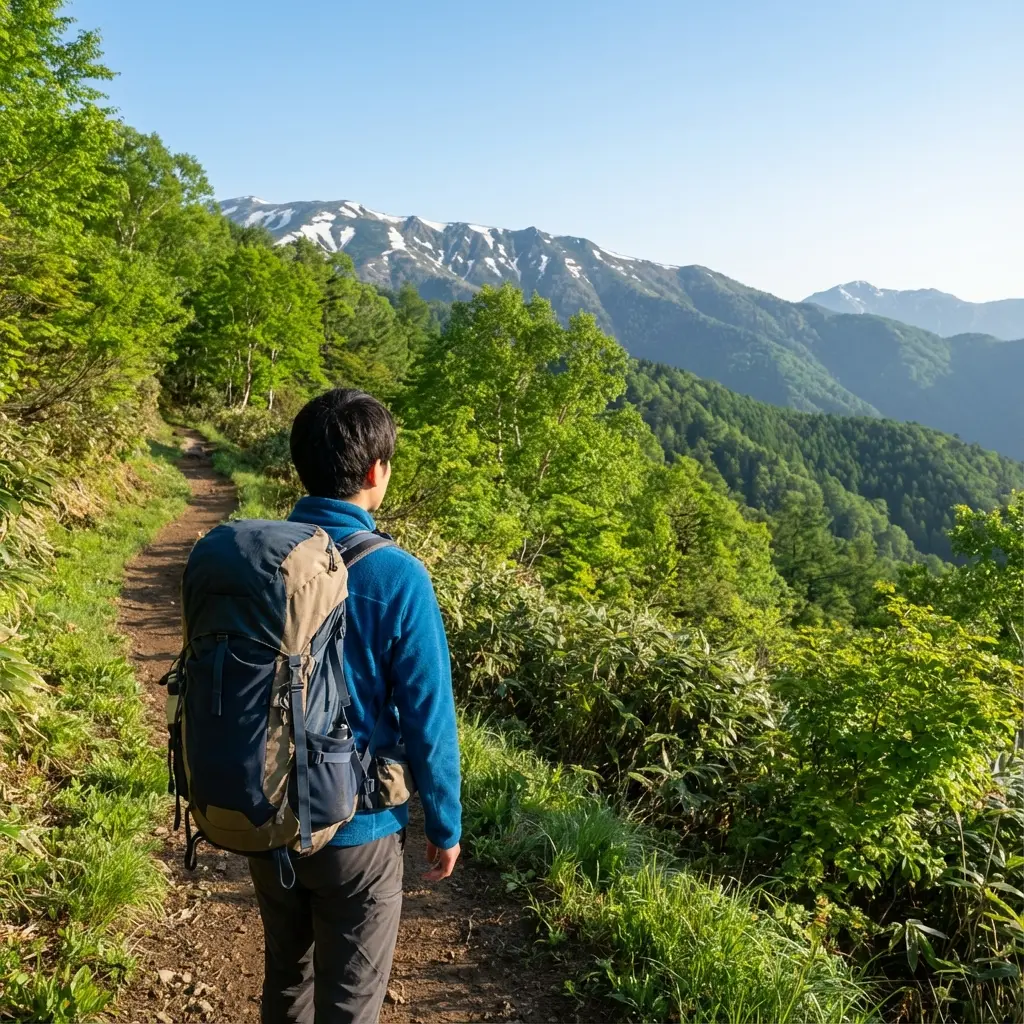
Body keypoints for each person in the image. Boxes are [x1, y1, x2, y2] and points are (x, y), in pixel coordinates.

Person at [246, 387, 462, 1024]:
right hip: (357, 830)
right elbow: (428, 716)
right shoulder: (398, 576)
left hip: (267, 813)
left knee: (287, 980)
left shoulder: (263, 558)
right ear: (375, 472)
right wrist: (444, 825)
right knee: (350, 1003)